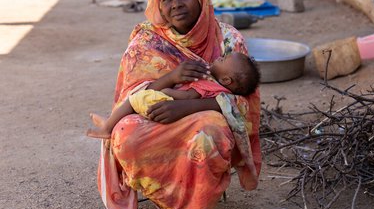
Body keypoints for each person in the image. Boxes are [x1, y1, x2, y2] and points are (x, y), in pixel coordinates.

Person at [96, 0, 261, 209]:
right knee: (125, 134)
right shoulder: (146, 40)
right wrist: (169, 79)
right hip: (153, 115)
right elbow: (131, 94)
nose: (176, 4)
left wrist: (186, 108)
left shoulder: (229, 40)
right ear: (157, 3)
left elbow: (245, 103)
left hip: (199, 120)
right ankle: (160, 207)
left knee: (212, 132)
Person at [87, 52, 260, 139]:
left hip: (169, 104)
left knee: (135, 99)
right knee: (137, 100)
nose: (218, 58)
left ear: (226, 79)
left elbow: (188, 97)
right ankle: (111, 122)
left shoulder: (210, 85)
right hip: (169, 106)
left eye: (222, 60)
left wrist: (168, 91)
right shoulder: (218, 89)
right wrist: (172, 77)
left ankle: (107, 128)